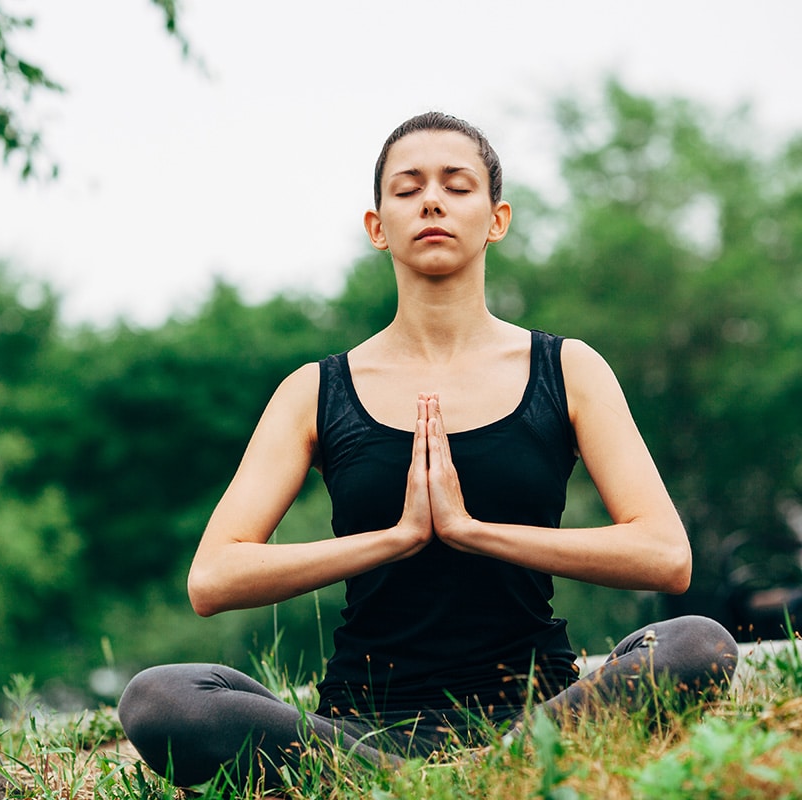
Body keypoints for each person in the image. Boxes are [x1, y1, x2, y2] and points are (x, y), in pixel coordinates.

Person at [117, 111, 739, 790]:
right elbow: (213, 579)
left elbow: (665, 556)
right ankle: (443, 775)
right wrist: (398, 537)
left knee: (696, 644)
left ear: (496, 219)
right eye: (408, 188)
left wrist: (474, 532)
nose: (433, 200)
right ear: (377, 226)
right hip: (362, 723)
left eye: (457, 185)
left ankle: (483, 764)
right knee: (160, 698)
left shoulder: (569, 370)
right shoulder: (315, 391)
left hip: (539, 706)